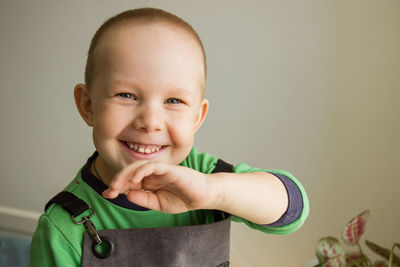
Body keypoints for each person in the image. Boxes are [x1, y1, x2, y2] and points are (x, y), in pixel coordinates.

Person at [29, 7, 309, 266]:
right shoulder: (62, 226)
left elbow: (292, 210)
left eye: (173, 100)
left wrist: (213, 191)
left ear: (197, 117)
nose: (150, 122)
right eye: (126, 95)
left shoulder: (204, 173)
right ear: (88, 105)